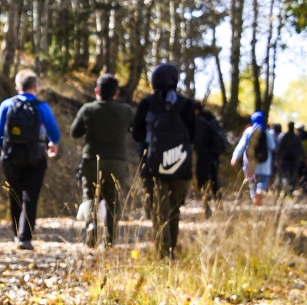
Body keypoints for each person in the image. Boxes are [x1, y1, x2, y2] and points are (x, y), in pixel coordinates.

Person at [0, 71, 61, 250]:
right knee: (30, 196)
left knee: (14, 194)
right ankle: (25, 237)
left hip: (10, 157)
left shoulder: (6, 105)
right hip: (35, 158)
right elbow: (54, 133)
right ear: (35, 87)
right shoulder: (42, 107)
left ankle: (16, 233)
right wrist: (53, 144)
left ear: (17, 88)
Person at [132, 62, 197, 257]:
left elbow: (136, 134)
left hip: (151, 166)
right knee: (174, 209)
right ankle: (170, 249)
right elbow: (194, 136)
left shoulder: (147, 103)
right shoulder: (186, 105)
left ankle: (163, 252)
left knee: (158, 209)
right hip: (180, 165)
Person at [70, 73, 133, 245]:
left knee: (89, 195)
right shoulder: (125, 111)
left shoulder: (87, 109)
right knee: (113, 200)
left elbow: (74, 132)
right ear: (117, 92)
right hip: (117, 160)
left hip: (91, 159)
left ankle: (91, 225)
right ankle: (109, 240)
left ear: (96, 91)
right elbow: (135, 129)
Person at [231, 110, 275, 205]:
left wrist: (235, 157)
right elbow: (272, 146)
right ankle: (259, 191)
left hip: (250, 161)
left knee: (251, 181)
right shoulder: (267, 132)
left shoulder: (248, 131)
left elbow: (241, 145)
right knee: (263, 180)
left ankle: (254, 198)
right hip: (264, 162)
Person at [194, 106, 228, 217]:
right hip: (214, 155)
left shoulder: (199, 121)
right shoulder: (210, 119)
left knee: (202, 180)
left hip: (204, 155)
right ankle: (219, 204)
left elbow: (199, 140)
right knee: (214, 180)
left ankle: (206, 207)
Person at [276, 120, 306, 193]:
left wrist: (277, 159)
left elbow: (279, 149)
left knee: (285, 175)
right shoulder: (296, 138)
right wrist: (305, 158)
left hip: (285, 160)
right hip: (294, 161)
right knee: (293, 176)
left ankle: (287, 189)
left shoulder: (284, 137)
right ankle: (289, 190)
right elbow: (301, 148)